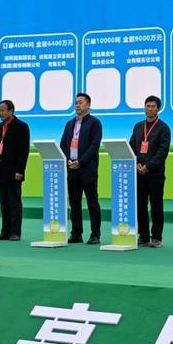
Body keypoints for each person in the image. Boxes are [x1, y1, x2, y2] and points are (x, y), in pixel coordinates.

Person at [60, 92, 103, 244]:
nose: (77, 105)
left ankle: (95, 234)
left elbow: (94, 146)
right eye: (76, 103)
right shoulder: (69, 124)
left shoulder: (95, 123)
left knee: (92, 202)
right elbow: (63, 144)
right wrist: (68, 159)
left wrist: (81, 161)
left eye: (81, 102)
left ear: (88, 105)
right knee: (74, 202)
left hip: (87, 169)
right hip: (72, 168)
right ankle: (76, 233)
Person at [130, 95, 171, 248]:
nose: (150, 109)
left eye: (153, 106)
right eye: (147, 106)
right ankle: (143, 236)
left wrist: (148, 166)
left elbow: (162, 152)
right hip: (139, 172)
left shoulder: (163, 128)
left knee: (156, 205)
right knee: (140, 205)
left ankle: (156, 237)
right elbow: (132, 147)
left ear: (158, 109)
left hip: (155, 173)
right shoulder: (138, 126)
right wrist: (137, 164)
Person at [0, 99, 30, 240]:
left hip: (14, 170)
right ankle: (5, 231)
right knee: (4, 203)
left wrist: (20, 170)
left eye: (3, 110)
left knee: (14, 202)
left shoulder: (22, 126)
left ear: (11, 111)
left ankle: (15, 232)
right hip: (1, 170)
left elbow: (23, 151)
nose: (1, 113)